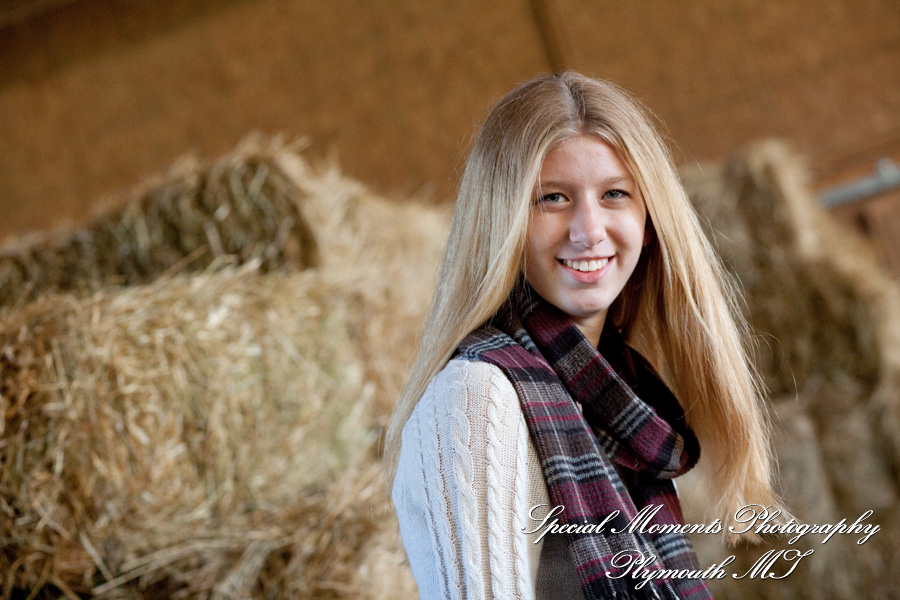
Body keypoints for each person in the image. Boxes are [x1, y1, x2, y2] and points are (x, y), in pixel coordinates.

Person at [384, 71, 785, 600]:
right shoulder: (476, 402)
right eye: (552, 198)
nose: (589, 230)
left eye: (615, 193)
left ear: (649, 222)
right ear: (502, 222)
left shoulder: (614, 396)